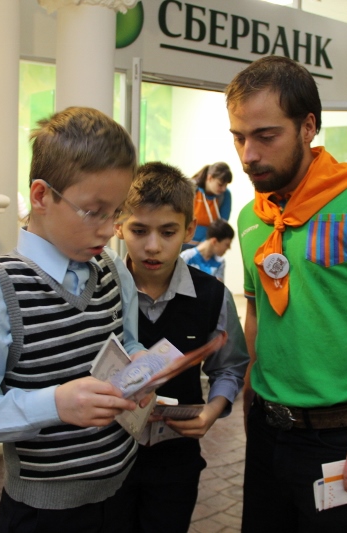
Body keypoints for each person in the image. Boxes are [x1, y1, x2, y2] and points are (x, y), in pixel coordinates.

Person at [227, 55, 347, 532]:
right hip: (269, 430)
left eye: (266, 136)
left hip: (345, 436)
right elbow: (257, 313)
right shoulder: (253, 216)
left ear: (308, 127)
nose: (248, 154)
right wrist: (250, 394)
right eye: (239, 137)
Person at [0, 107, 147, 533]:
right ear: (41, 196)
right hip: (46, 514)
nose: (109, 229)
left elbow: (126, 343)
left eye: (117, 212)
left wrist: (143, 364)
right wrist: (55, 404)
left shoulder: (112, 269)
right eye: (94, 211)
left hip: (124, 489)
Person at [102, 162, 248, 533]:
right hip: (105, 458)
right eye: (139, 230)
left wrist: (212, 410)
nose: (152, 246)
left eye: (168, 232)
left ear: (189, 230)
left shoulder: (212, 296)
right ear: (118, 225)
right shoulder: (101, 292)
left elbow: (229, 366)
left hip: (175, 460)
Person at [188, 162, 233, 246]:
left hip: (207, 246)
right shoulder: (190, 189)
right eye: (220, 185)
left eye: (226, 185)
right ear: (210, 178)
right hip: (183, 242)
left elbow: (221, 225)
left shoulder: (225, 195)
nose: (223, 189)